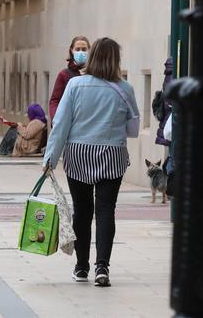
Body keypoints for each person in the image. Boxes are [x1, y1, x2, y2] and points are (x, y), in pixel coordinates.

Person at [43, 37, 137, 288]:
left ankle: (81, 266)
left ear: (92, 56)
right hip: (112, 153)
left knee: (82, 211)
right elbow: (134, 128)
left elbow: (61, 124)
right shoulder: (125, 89)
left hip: (79, 153)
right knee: (106, 209)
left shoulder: (75, 85)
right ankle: (102, 266)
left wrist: (50, 157)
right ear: (116, 59)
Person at [49, 36, 91, 125]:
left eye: (84, 49)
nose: (81, 52)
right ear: (72, 50)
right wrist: (56, 120)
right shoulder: (64, 75)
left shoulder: (94, 74)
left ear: (89, 51)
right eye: (77, 49)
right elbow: (55, 101)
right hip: (70, 123)